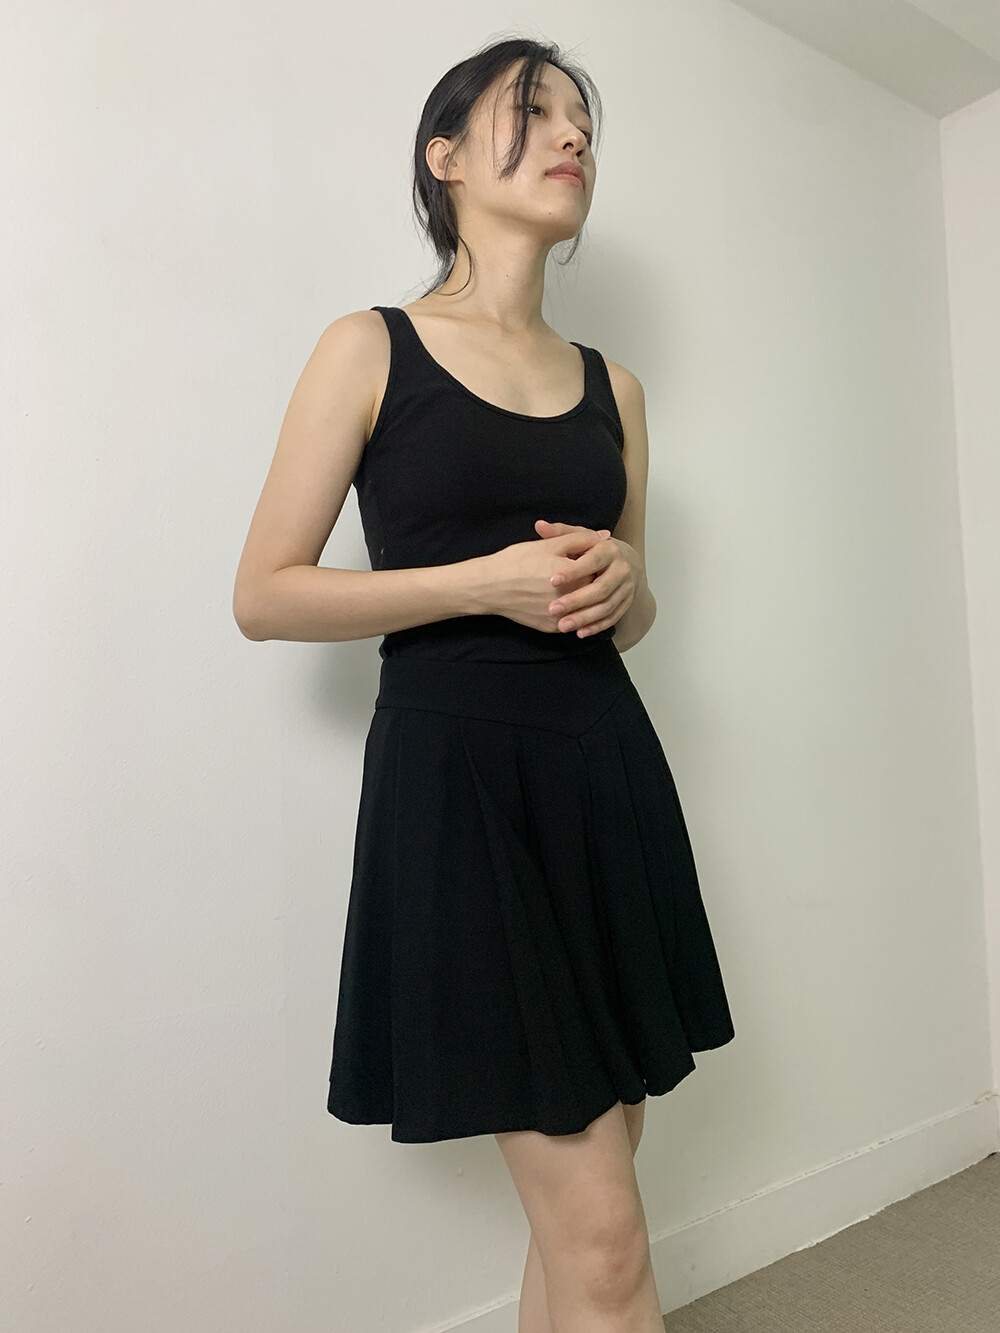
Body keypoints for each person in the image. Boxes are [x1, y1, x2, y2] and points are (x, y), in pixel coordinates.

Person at [233, 34, 735, 1333]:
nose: (573, 135)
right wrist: (477, 584)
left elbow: (631, 612)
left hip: (602, 768)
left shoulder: (615, 387)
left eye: (582, 121)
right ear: (444, 156)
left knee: (588, 1211)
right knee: (607, 1241)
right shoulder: (368, 348)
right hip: (459, 786)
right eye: (535, 110)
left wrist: (628, 581)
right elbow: (265, 593)